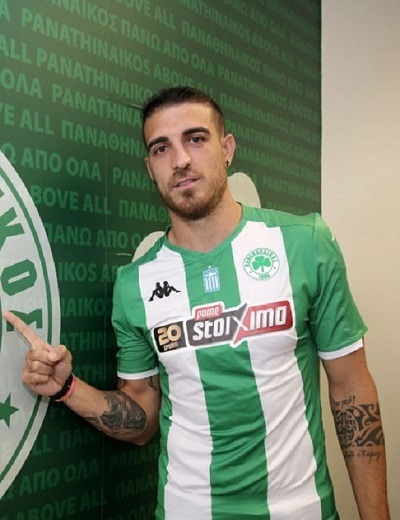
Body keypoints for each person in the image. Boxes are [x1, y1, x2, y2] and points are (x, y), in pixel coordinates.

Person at [4, 86, 390, 520]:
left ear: (227, 149)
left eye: (196, 138)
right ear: (150, 169)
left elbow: (351, 388)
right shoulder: (134, 284)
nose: (181, 159)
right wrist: (68, 388)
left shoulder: (305, 244)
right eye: (161, 148)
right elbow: (141, 420)